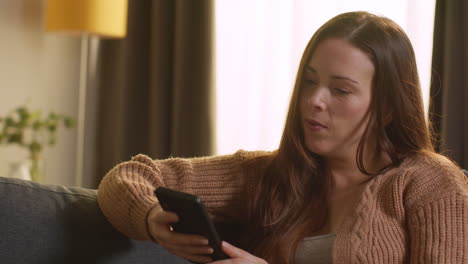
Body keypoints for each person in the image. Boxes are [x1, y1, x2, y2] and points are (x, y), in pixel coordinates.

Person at [97, 11, 468, 264]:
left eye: (340, 90)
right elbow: (128, 176)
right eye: (309, 81)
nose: (314, 100)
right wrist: (149, 218)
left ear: (387, 107)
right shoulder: (268, 174)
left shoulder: (430, 184)